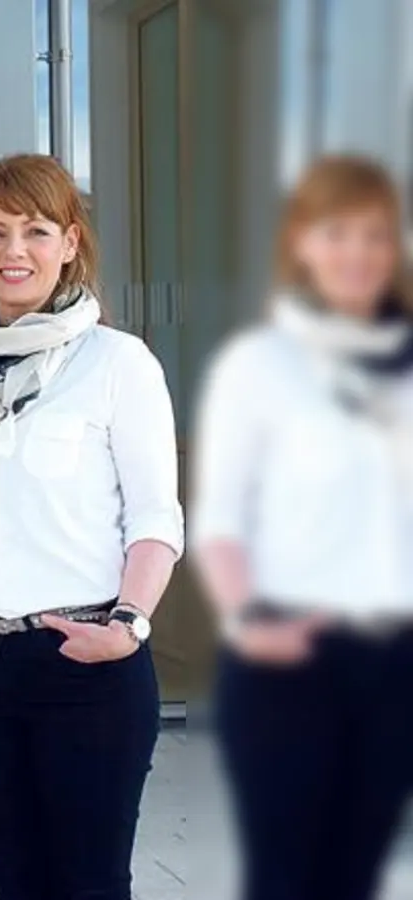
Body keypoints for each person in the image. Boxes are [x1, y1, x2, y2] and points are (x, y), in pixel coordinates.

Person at [0, 153, 183, 900]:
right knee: (14, 883)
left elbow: (155, 517)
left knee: (87, 885)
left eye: (34, 231)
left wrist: (128, 625)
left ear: (70, 243)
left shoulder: (118, 364)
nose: (12, 251)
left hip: (82, 658)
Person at [192, 155, 413, 900]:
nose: (357, 253)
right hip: (286, 653)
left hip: (395, 659)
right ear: (302, 243)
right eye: (337, 233)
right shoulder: (258, 367)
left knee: (356, 873)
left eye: (375, 235)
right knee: (284, 875)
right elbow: (218, 518)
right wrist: (248, 620)